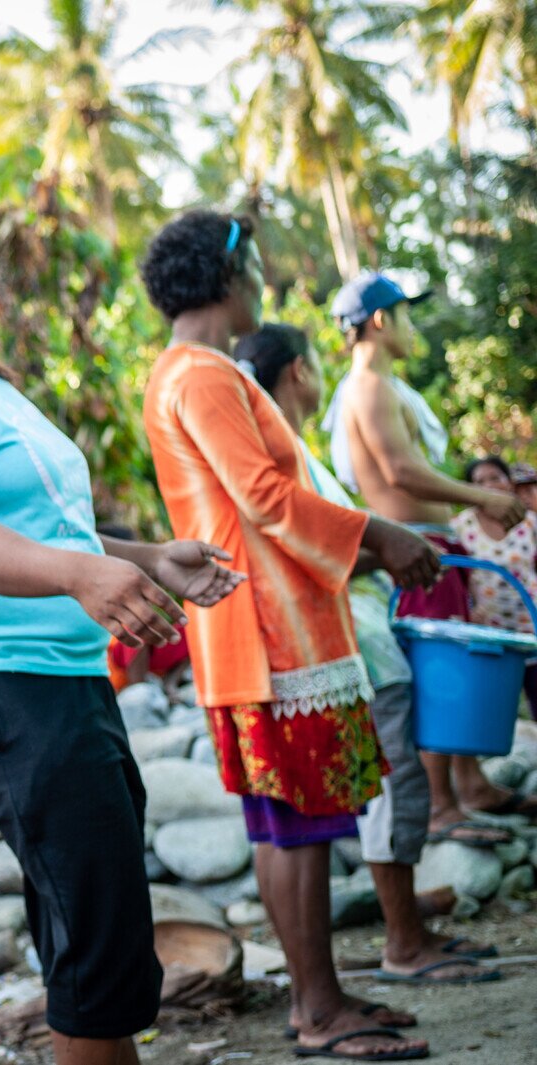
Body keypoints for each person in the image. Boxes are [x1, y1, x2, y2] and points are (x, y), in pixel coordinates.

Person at [0, 182, 245, 1065]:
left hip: (59, 673)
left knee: (94, 925)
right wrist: (80, 576)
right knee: (97, 944)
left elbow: (47, 530)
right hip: (1, 677)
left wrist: (147, 557)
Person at [141, 211, 440, 1061]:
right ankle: (318, 1007)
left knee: (283, 824)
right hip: (271, 629)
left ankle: (322, 997)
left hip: (254, 627)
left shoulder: (184, 370)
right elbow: (267, 498)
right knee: (297, 824)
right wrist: (381, 535)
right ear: (225, 276)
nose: (262, 283)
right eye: (255, 269)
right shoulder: (203, 374)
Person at [241, 323, 498, 999]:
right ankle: (402, 942)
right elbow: (304, 547)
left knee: (389, 784)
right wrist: (390, 550)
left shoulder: (291, 450)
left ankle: (406, 932)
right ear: (298, 371)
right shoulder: (283, 453)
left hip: (357, 637)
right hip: (346, 642)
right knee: (393, 784)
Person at [323, 270, 536, 831]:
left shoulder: (382, 385)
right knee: (437, 672)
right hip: (415, 549)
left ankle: (470, 784)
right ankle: (441, 804)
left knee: (455, 661)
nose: (412, 327)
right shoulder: (369, 385)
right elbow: (400, 471)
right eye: (406, 315)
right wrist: (481, 498)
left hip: (432, 547)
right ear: (380, 320)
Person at [453, 456, 537, 710]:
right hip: (488, 632)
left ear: (509, 482)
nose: (489, 485)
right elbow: (456, 575)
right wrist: (468, 610)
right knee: (491, 708)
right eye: (479, 481)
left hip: (531, 626)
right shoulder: (460, 526)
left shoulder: (529, 521)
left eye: (495, 478)